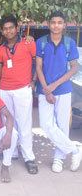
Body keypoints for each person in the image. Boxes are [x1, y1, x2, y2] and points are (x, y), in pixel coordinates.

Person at [36, 11, 82, 173]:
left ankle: (59, 158)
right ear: (48, 24)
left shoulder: (69, 43)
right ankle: (74, 150)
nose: (56, 25)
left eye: (59, 22)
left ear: (64, 25)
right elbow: (39, 67)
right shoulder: (41, 42)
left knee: (62, 126)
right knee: (46, 124)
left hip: (63, 90)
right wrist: (47, 89)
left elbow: (74, 68)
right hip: (44, 89)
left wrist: (53, 86)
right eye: (53, 22)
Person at [0, 15, 38, 174]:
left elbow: (37, 63)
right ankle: (11, 152)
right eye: (5, 29)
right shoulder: (0, 49)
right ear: (2, 31)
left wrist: (34, 81)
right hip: (5, 90)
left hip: (23, 89)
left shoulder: (28, 43)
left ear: (17, 28)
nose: (8, 31)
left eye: (11, 28)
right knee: (8, 124)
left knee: (24, 123)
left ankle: (29, 157)